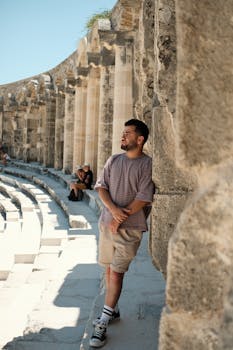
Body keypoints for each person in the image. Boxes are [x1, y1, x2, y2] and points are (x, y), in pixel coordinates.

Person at [90, 119, 154, 348]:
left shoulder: (147, 164)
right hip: (107, 224)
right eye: (123, 132)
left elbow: (144, 197)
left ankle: (102, 322)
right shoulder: (113, 160)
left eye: (128, 133)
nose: (123, 136)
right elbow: (101, 187)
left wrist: (121, 218)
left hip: (130, 230)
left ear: (140, 139)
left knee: (116, 274)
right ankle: (113, 308)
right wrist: (114, 212)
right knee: (108, 270)